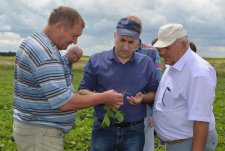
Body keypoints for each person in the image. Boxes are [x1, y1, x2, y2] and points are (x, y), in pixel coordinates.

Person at [12, 6, 123, 151]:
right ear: (59, 27)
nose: (75, 42)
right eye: (74, 35)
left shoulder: (36, 42)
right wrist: (103, 97)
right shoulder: (44, 52)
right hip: (40, 135)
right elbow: (64, 102)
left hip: (36, 131)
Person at [78, 17, 158, 151]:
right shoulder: (97, 60)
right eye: (122, 40)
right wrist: (103, 98)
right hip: (104, 128)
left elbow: (153, 93)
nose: (126, 46)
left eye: (131, 42)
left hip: (134, 131)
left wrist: (142, 99)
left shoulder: (146, 63)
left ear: (138, 42)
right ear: (115, 36)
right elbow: (83, 91)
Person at [153, 23, 218, 151]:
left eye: (167, 47)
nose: (161, 52)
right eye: (160, 48)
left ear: (183, 44)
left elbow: (201, 121)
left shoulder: (199, 73)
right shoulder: (173, 64)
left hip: (190, 143)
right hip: (178, 142)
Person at [126, 16, 162, 151]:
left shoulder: (151, 51)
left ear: (139, 31)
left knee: (146, 146)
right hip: (123, 111)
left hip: (145, 110)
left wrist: (153, 113)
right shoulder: (117, 50)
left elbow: (157, 84)